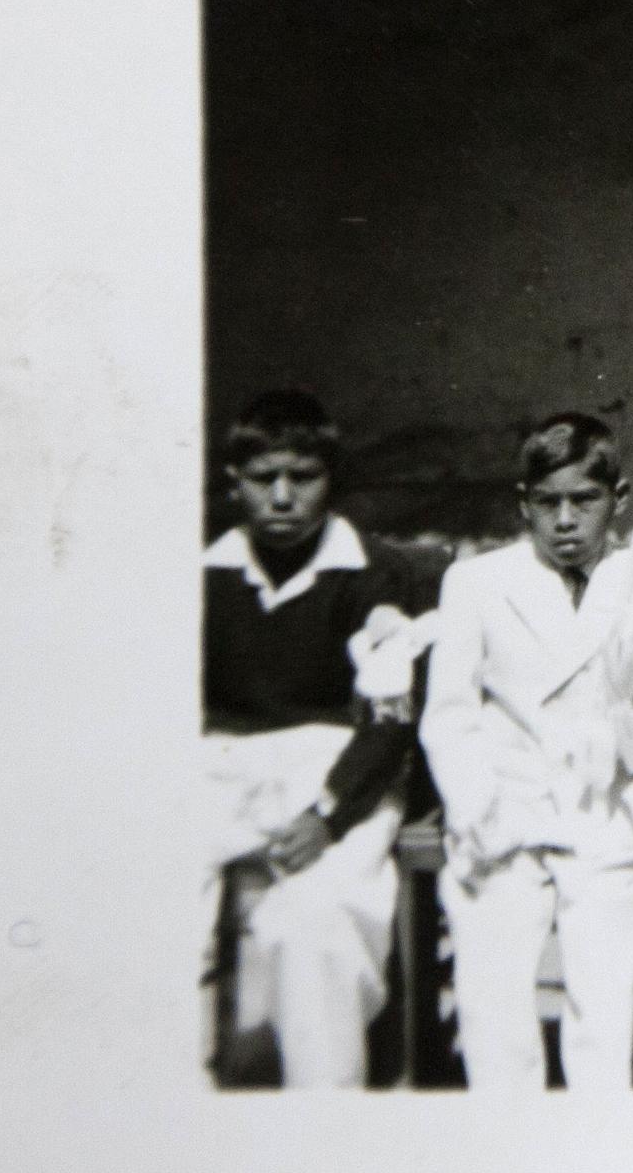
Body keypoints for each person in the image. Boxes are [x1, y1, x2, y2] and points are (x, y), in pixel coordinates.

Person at [418, 413, 633, 1090]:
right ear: (524, 505)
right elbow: (449, 715)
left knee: (602, 999)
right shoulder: (477, 583)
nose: (565, 520)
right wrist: (475, 803)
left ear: (619, 498)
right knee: (489, 990)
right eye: (548, 503)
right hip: (503, 811)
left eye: (585, 500)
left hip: (607, 811)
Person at [202, 390, 444, 1087]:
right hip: (219, 768)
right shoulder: (205, 577)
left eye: (301, 478)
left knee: (313, 925)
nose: (281, 497)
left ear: (330, 480)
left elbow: (389, 718)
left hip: (340, 771)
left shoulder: (373, 574)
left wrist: (327, 814)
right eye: (262, 479)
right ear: (234, 481)